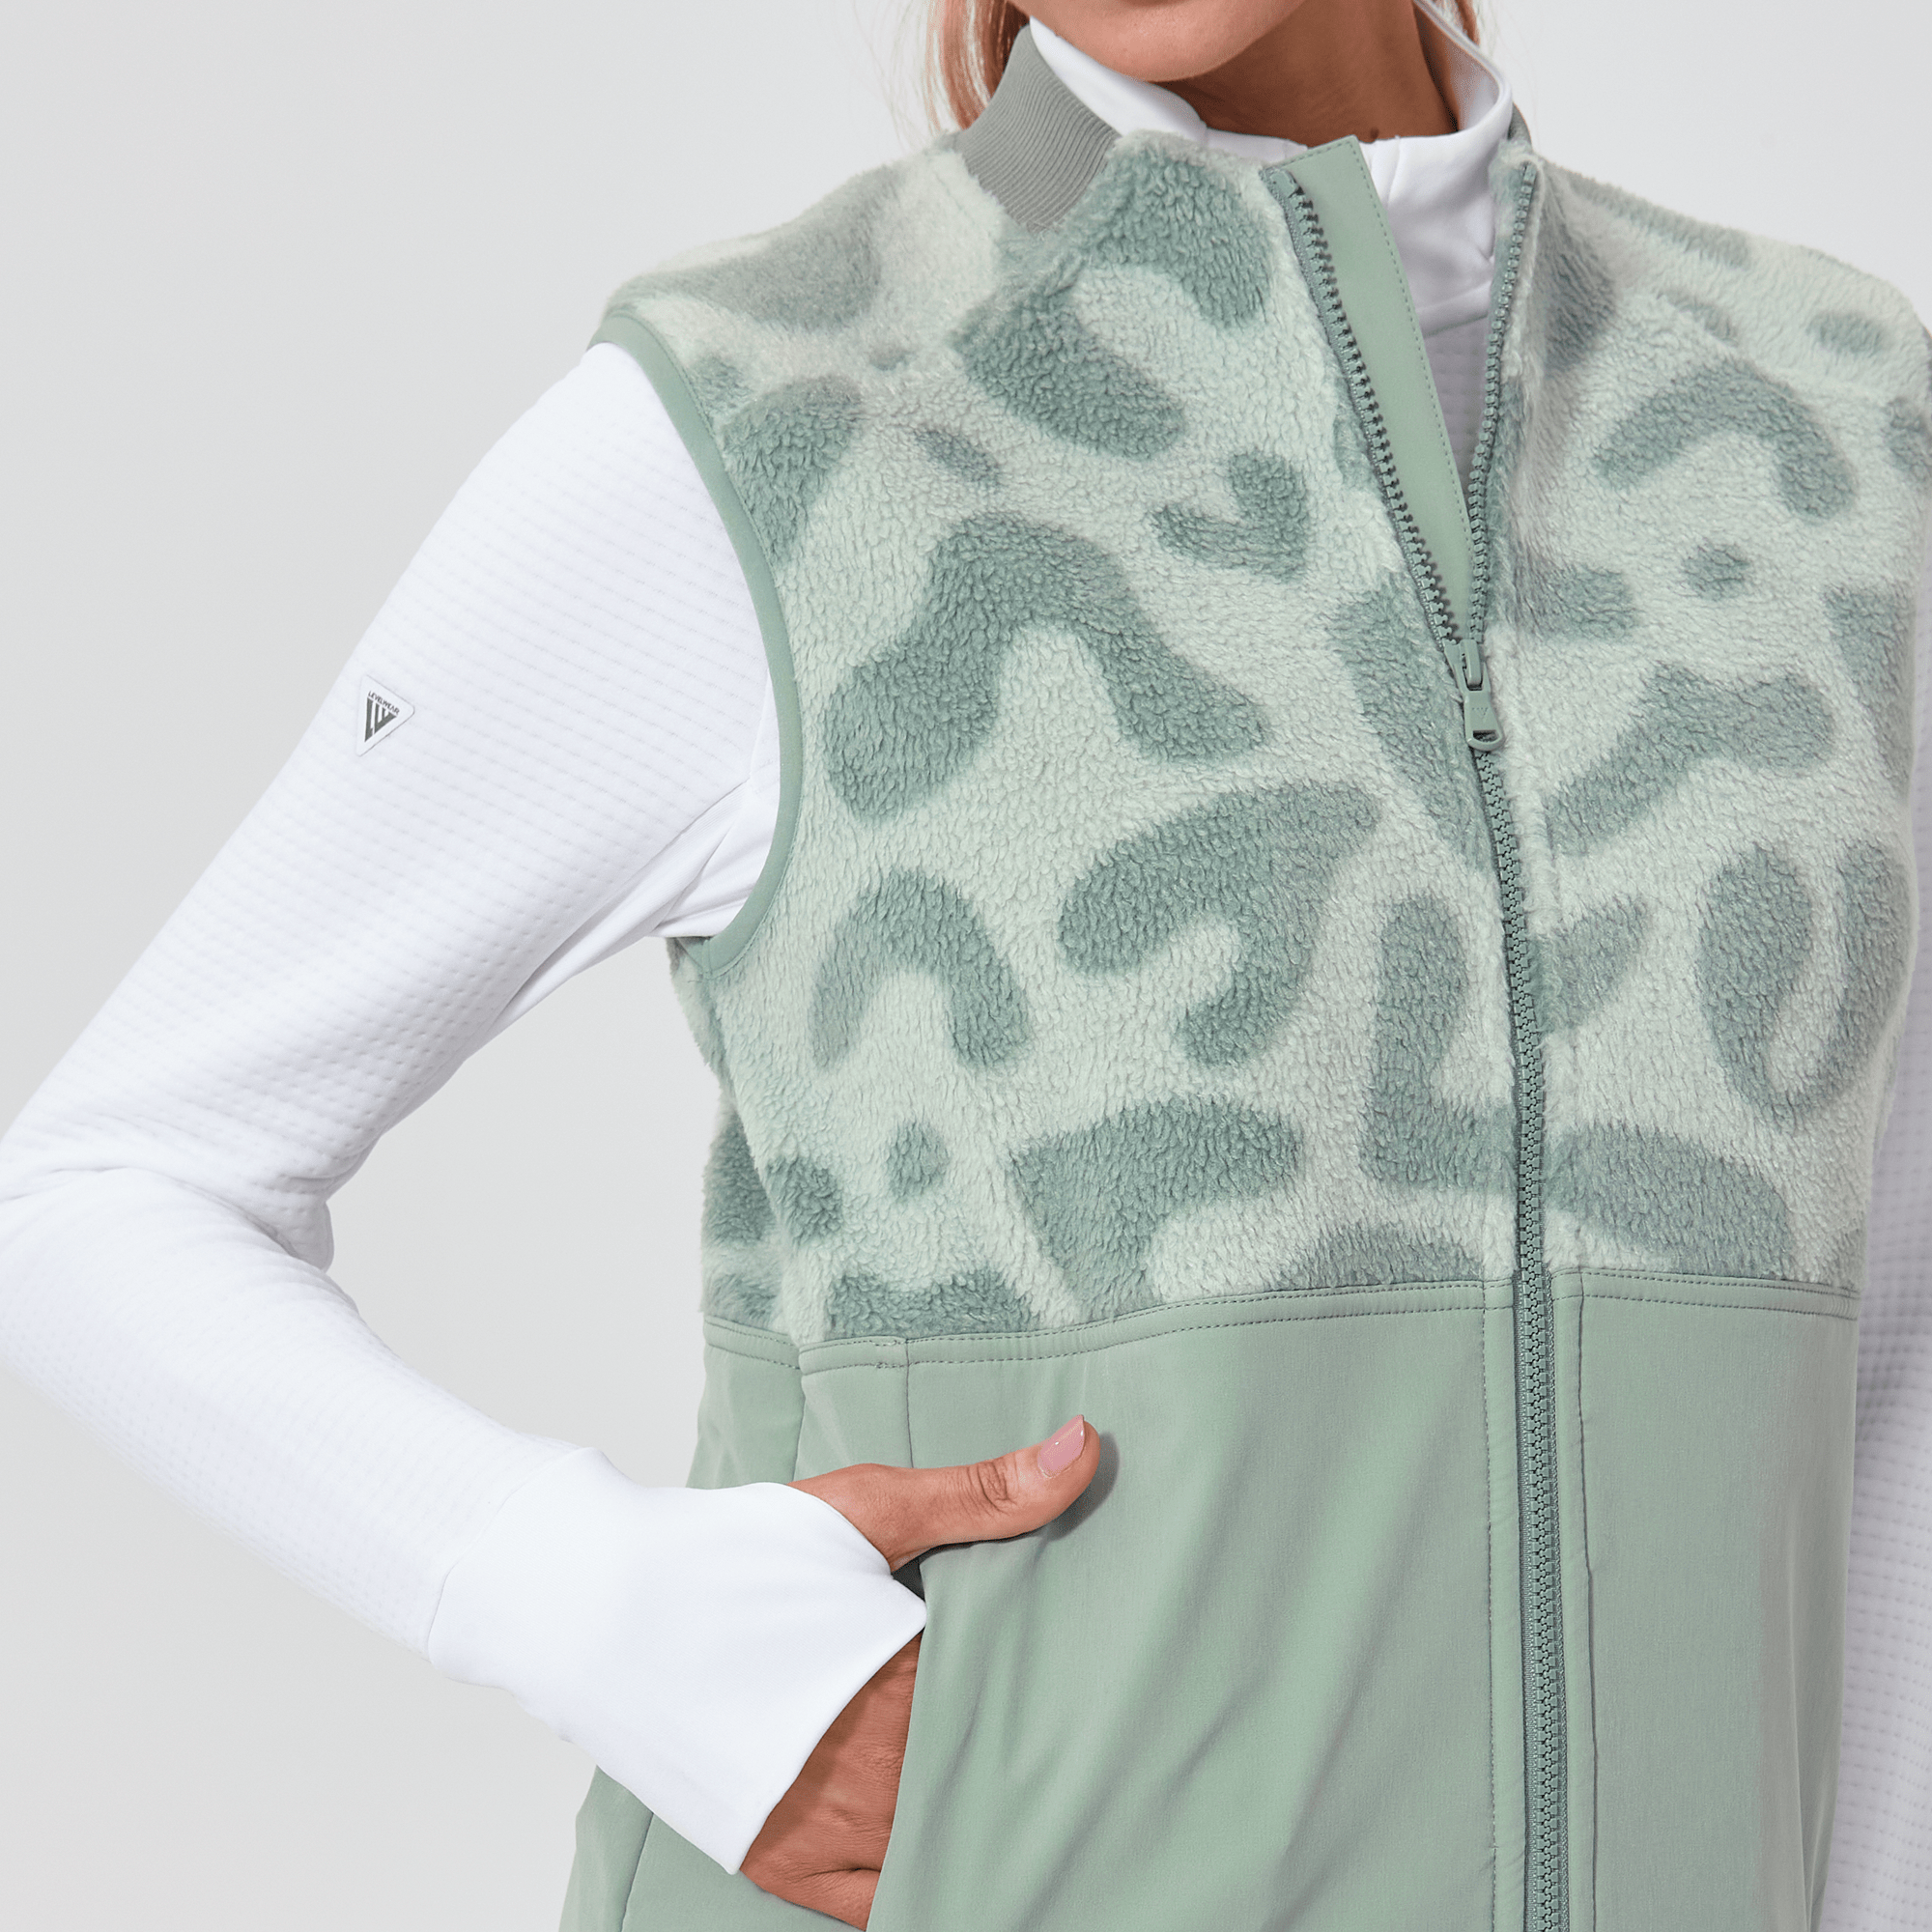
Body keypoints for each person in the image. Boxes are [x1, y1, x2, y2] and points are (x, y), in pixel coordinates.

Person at [2, 0, 1928, 1925]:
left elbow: (1895, 1344)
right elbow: (107, 1185)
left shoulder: (1838, 414)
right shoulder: (772, 410)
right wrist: (614, 1617)